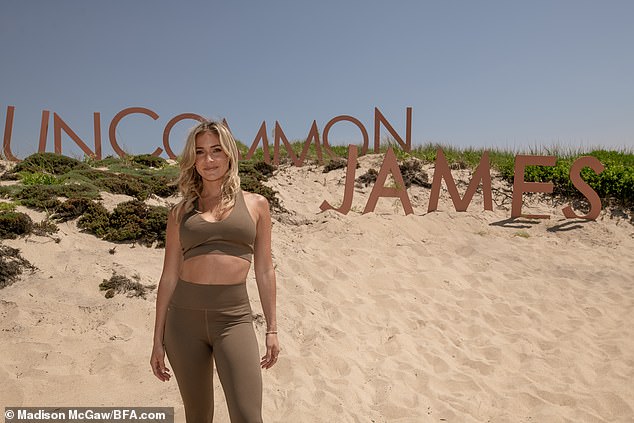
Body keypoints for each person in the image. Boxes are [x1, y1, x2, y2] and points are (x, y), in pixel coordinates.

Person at [150, 120, 280, 423]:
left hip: (233, 318)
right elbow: (169, 276)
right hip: (183, 322)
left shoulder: (256, 205)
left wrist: (272, 329)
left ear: (230, 155)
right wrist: (157, 340)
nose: (209, 160)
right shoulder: (180, 212)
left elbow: (264, 269)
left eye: (216, 150)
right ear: (192, 160)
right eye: (200, 152)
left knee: (248, 416)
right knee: (198, 417)